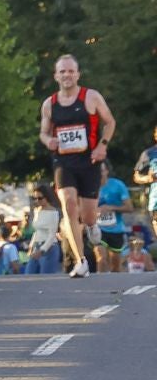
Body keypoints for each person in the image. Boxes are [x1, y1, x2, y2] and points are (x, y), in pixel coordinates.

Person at [40, 54, 115, 278]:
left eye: (71, 71)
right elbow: (43, 133)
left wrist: (102, 145)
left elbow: (110, 122)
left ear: (78, 74)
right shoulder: (49, 104)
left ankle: (91, 226)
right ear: (56, 76)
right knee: (69, 204)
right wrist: (48, 141)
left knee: (88, 215)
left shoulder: (90, 97)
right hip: (63, 162)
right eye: (62, 71)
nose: (67, 75)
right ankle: (80, 261)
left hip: (89, 161)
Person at [23, 184, 63, 275]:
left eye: (40, 198)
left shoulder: (53, 213)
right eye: (35, 198)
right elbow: (37, 231)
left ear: (47, 197)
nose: (37, 201)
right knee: (29, 274)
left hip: (49, 247)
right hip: (36, 246)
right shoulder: (37, 211)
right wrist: (31, 246)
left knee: (45, 278)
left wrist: (42, 250)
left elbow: (52, 235)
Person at [96, 171, 130, 272]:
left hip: (116, 229)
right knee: (101, 258)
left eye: (101, 170)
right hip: (98, 228)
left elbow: (129, 207)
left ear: (107, 171)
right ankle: (100, 284)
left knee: (115, 264)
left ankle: (115, 284)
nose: (99, 173)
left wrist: (110, 208)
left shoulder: (118, 185)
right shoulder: (89, 184)